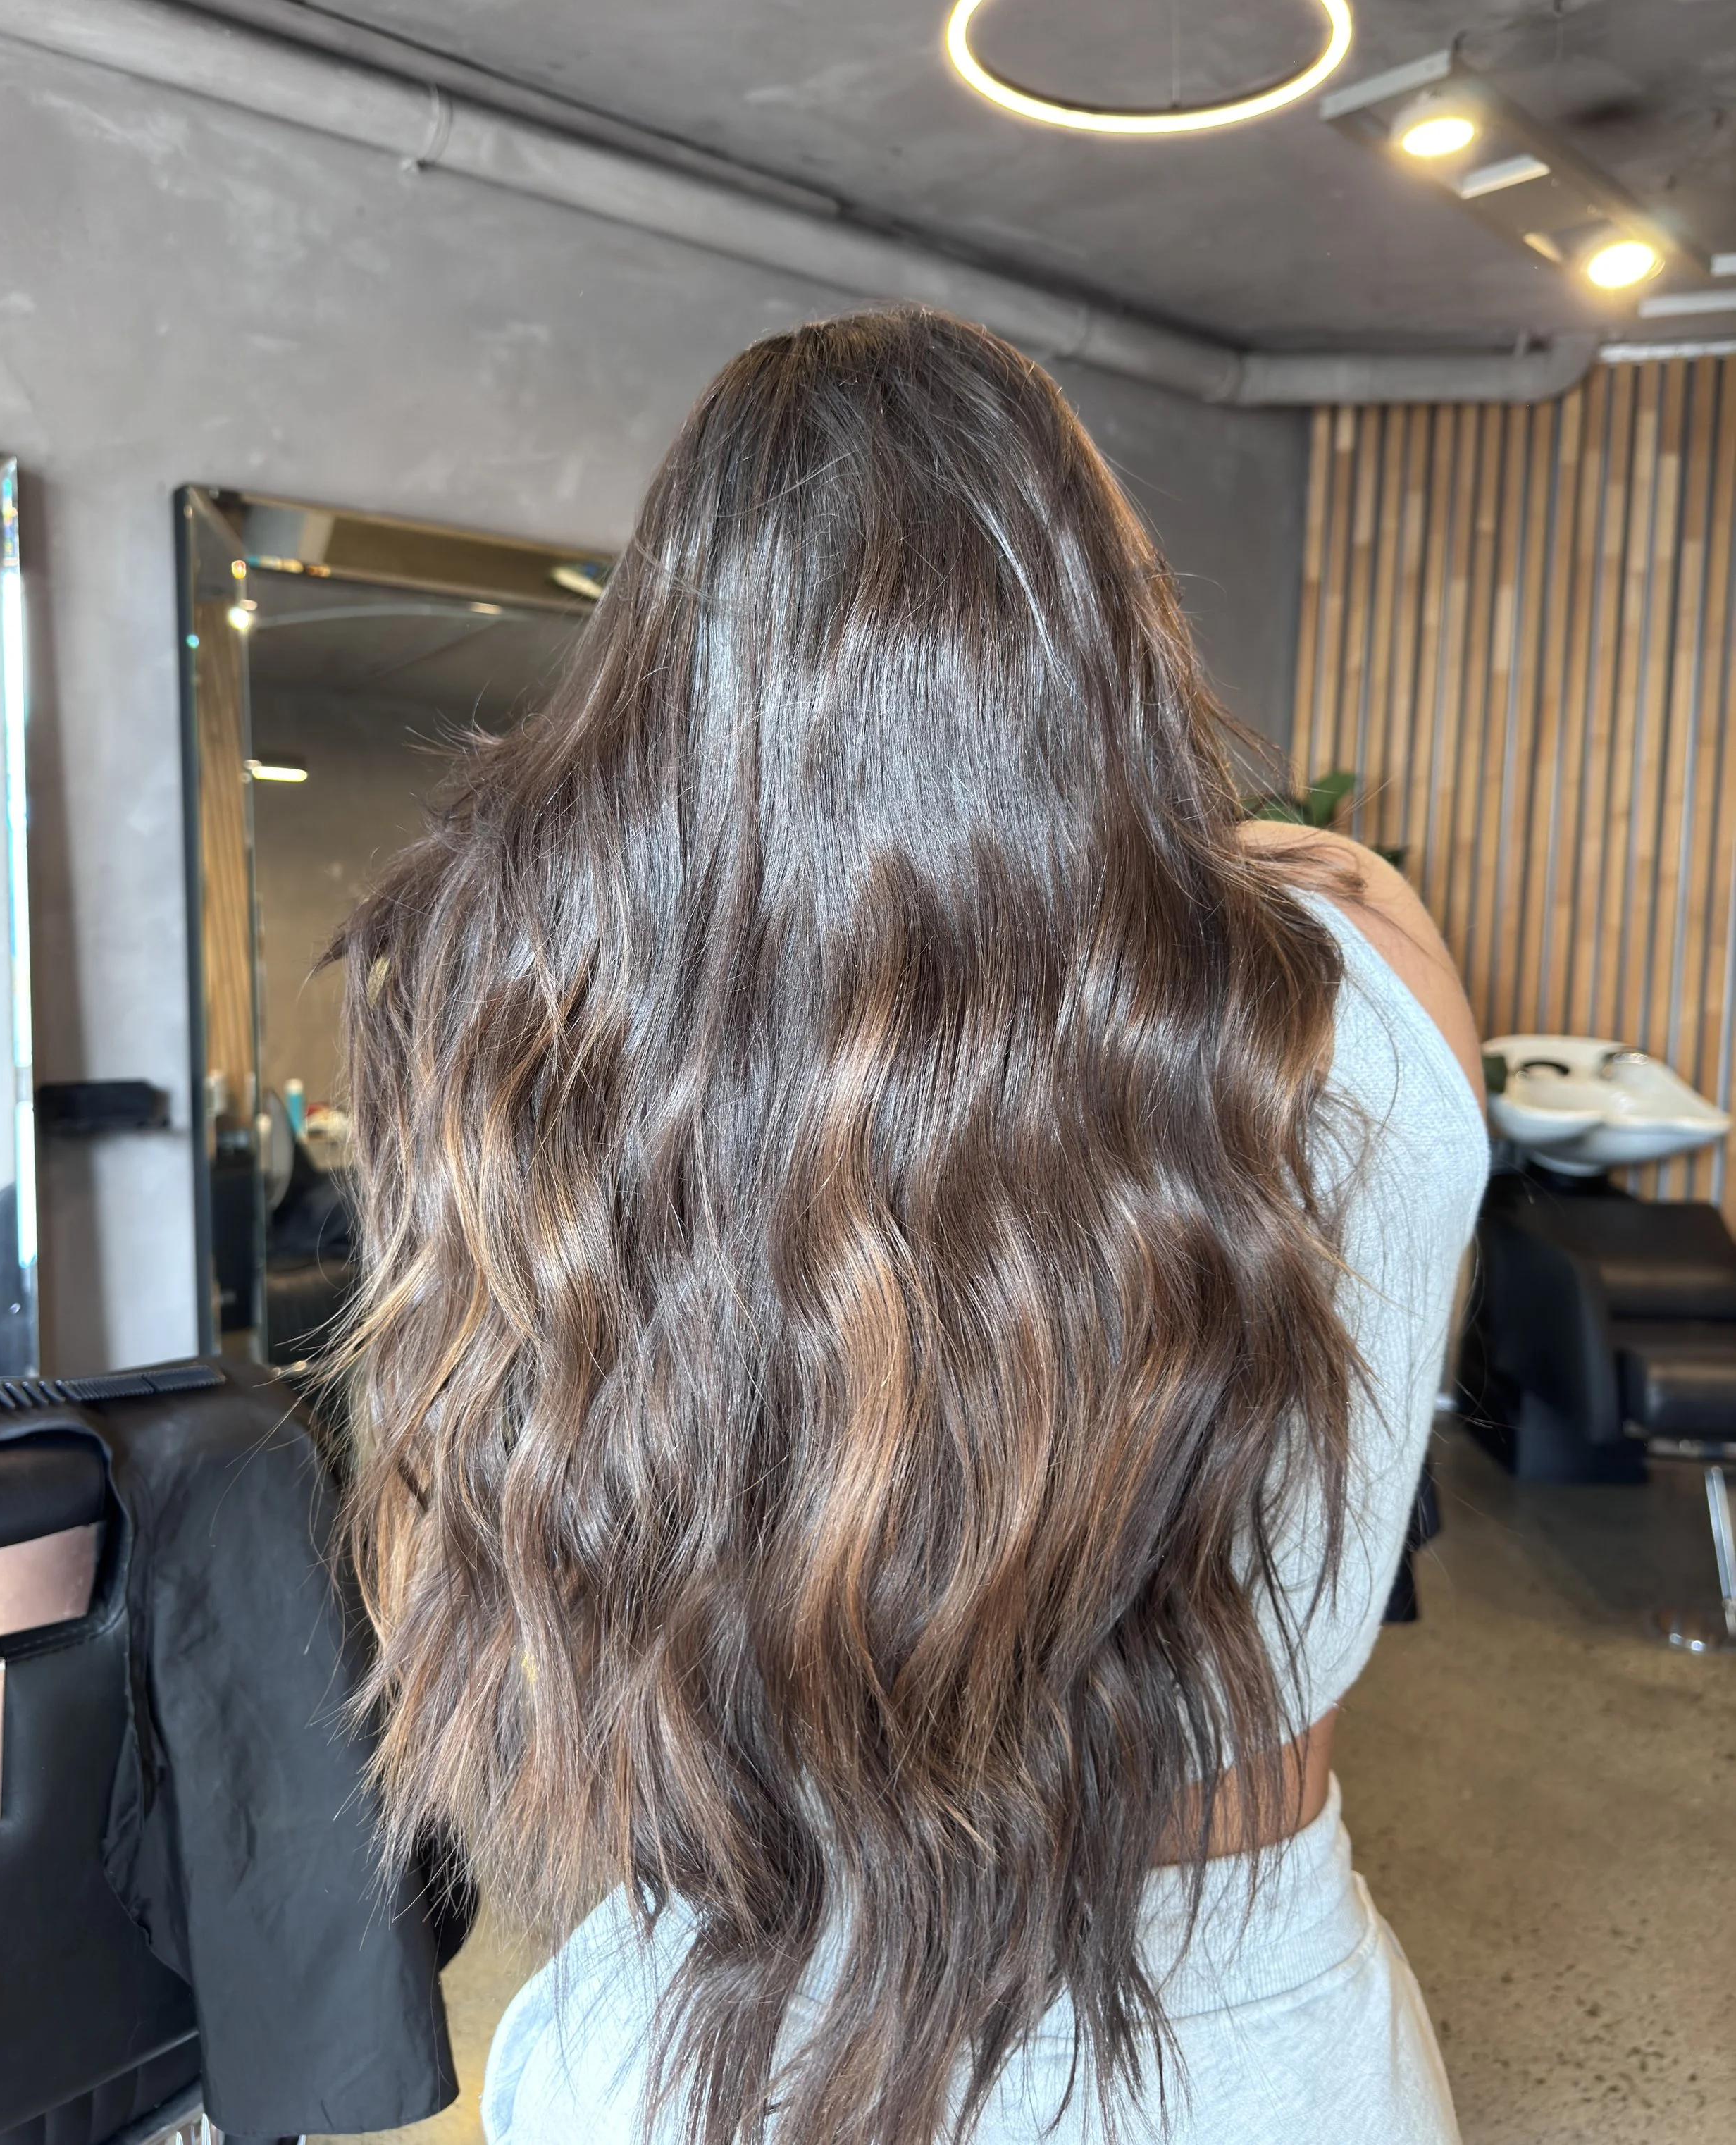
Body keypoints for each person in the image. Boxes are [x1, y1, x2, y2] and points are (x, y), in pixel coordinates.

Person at [331, 309, 1488, 2145]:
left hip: (706, 2046)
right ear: (1104, 621)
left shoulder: (540, 1041)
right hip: (1244, 2067)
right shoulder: (1362, 977)